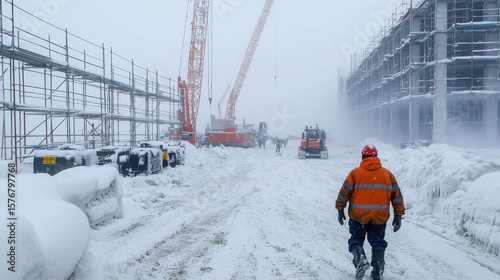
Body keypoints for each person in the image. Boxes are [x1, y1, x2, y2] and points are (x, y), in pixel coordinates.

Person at [335, 144, 405, 280]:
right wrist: (398, 215)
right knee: (378, 243)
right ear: (376, 157)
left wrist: (340, 208)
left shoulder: (355, 173)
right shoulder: (387, 174)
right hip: (379, 218)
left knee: (355, 240)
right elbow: (397, 196)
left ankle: (360, 260)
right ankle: (377, 272)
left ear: (363, 157)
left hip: (358, 217)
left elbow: (344, 193)